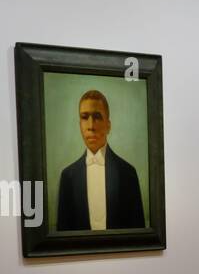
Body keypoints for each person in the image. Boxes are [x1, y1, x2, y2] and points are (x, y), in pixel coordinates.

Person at [56, 89, 145, 230]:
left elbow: (138, 232)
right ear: (80, 125)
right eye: (85, 117)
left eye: (97, 117)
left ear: (108, 125)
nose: (91, 126)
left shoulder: (128, 173)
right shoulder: (68, 177)